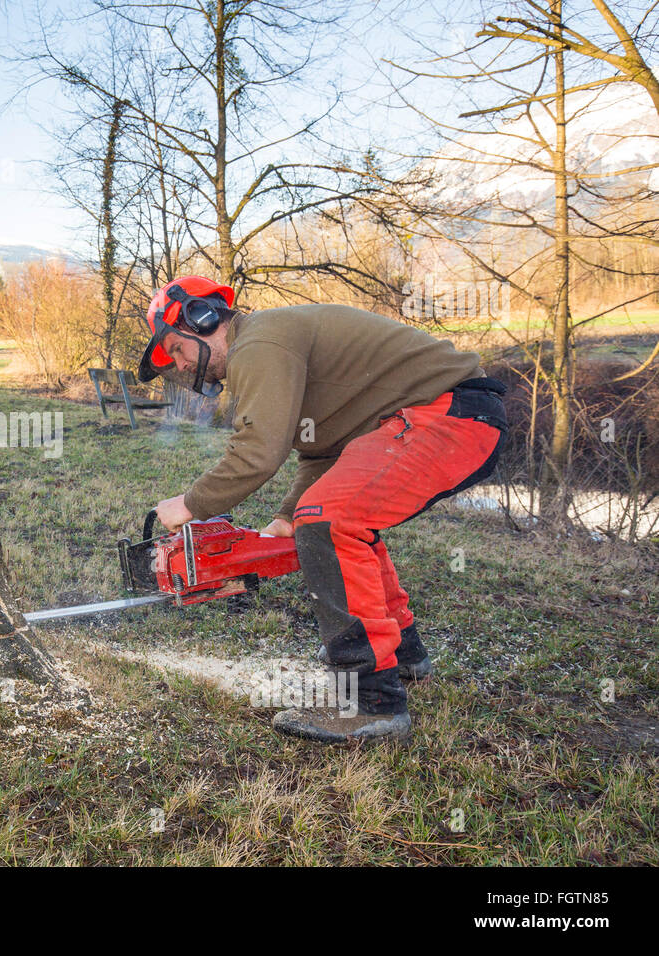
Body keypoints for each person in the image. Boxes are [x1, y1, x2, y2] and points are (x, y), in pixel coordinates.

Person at [137, 276, 509, 744]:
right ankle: (405, 655)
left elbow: (257, 452)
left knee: (331, 522)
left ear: (202, 319)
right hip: (438, 417)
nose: (180, 362)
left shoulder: (260, 342)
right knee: (328, 518)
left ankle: (369, 702)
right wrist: (289, 516)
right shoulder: (270, 346)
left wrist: (189, 505)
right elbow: (324, 450)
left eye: (176, 348)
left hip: (450, 416)